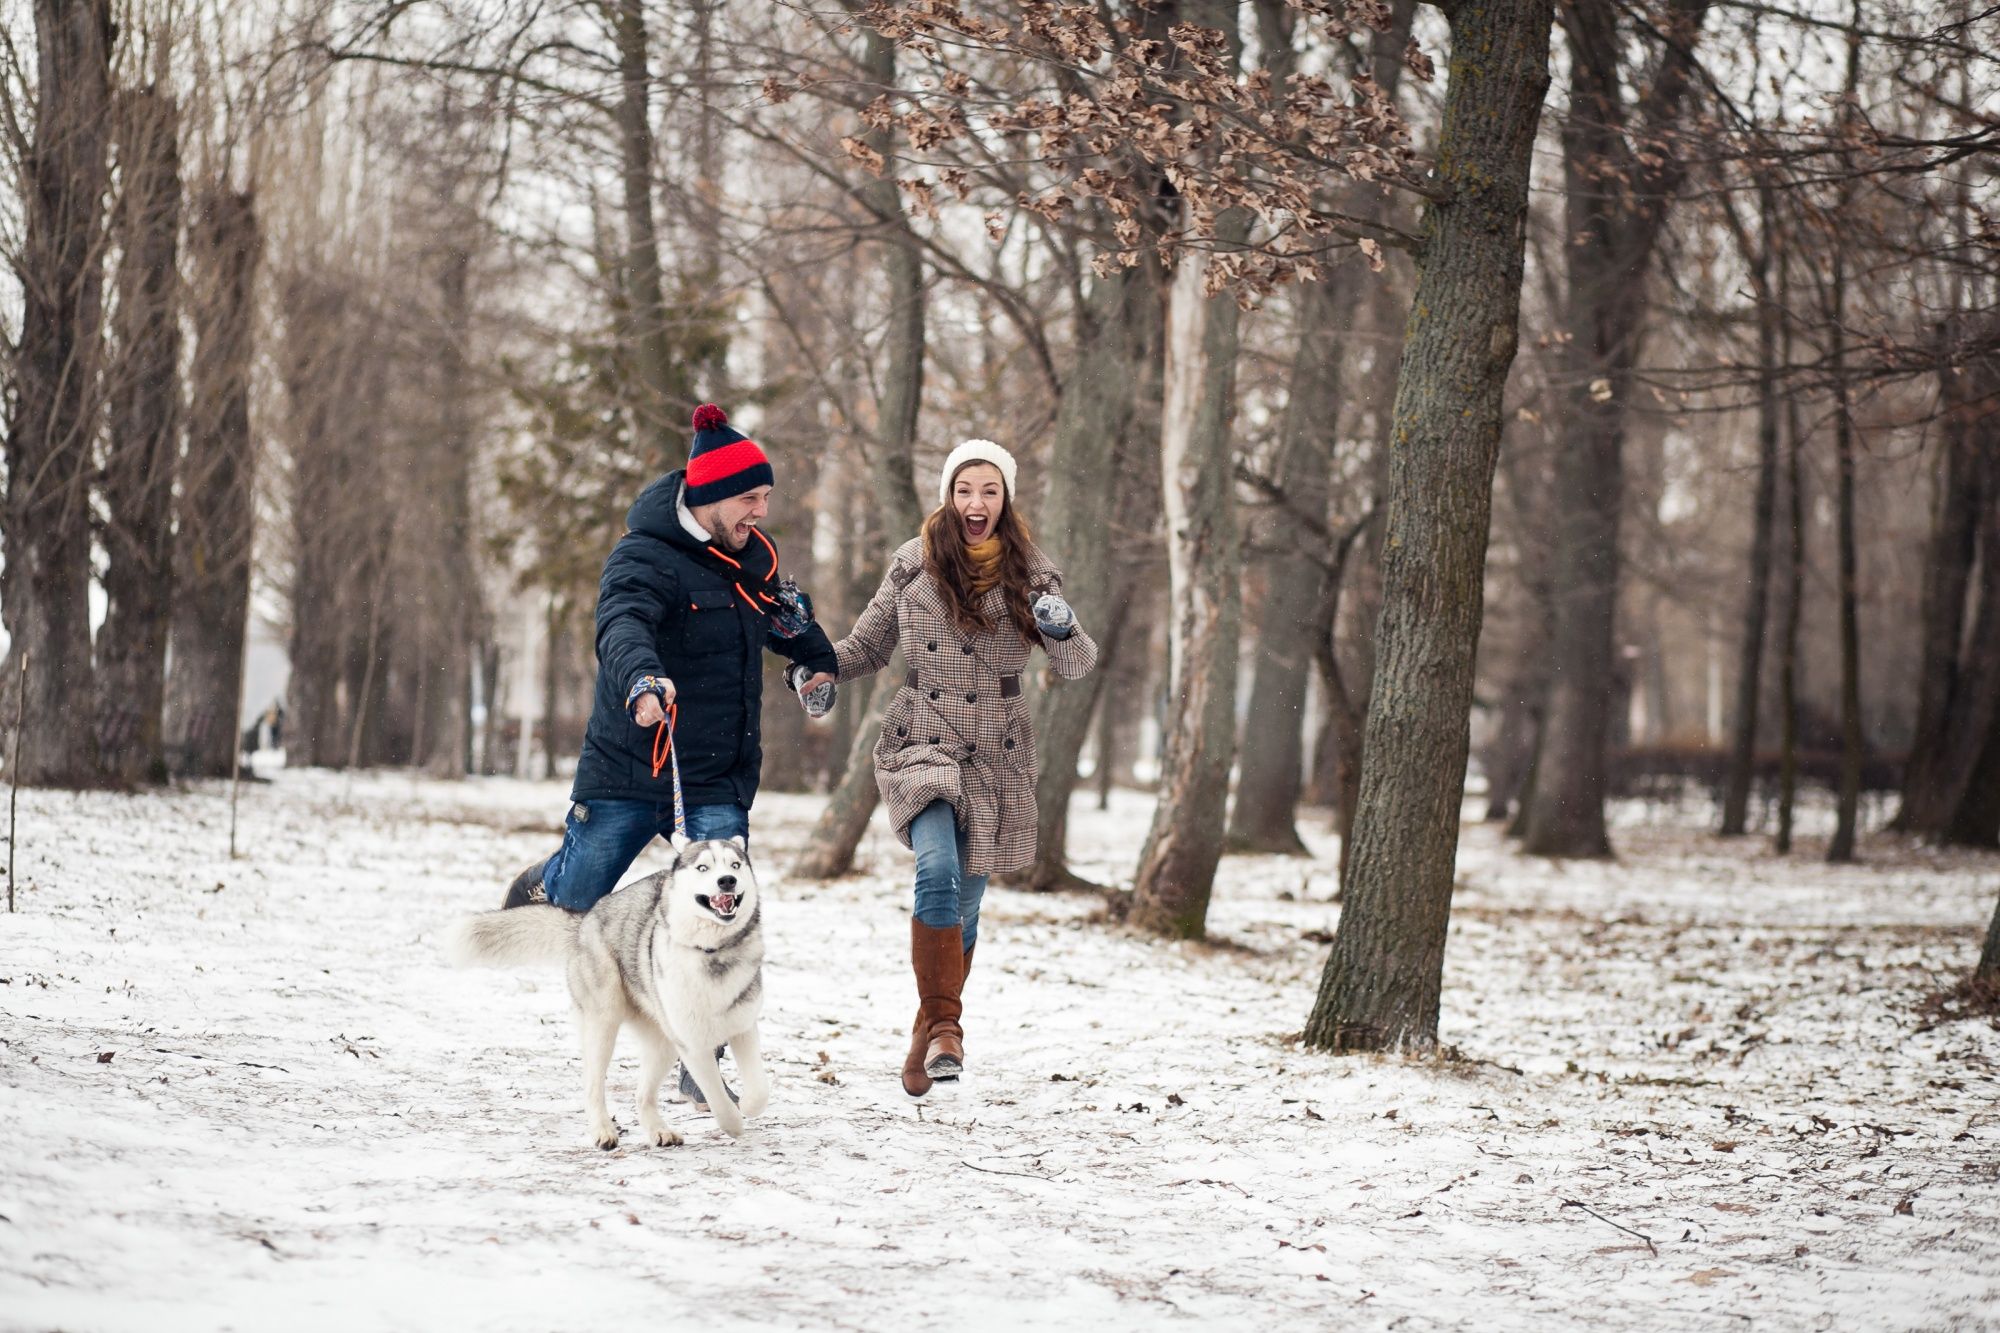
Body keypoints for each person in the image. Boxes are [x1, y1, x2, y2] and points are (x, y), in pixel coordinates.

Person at [502, 404, 838, 1105]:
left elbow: (791, 623)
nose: (760, 511)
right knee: (578, 899)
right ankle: (549, 875)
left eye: (765, 499)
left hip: (714, 770)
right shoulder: (642, 556)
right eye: (751, 498)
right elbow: (622, 624)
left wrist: (813, 664)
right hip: (632, 763)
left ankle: (700, 1056)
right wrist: (642, 680)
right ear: (712, 494)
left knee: (721, 908)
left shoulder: (756, 558)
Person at [829, 439, 1097, 1100]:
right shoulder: (911, 564)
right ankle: (951, 1025)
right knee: (938, 869)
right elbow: (866, 646)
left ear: (1005, 499)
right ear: (949, 494)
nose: (976, 503)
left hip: (995, 751)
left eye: (990, 490)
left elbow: (1077, 666)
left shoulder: (1032, 574)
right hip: (921, 732)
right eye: (965, 489)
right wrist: (813, 662)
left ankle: (929, 1030)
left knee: (964, 911)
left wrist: (1063, 629)